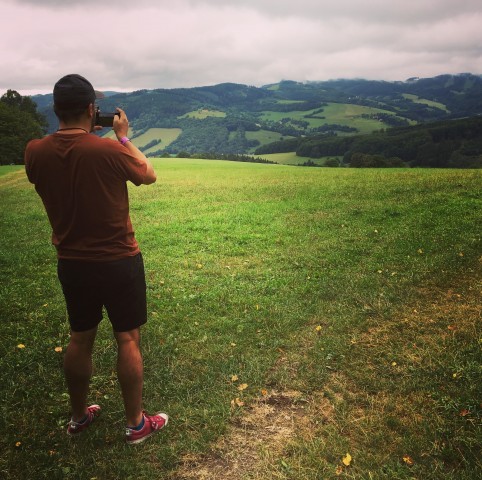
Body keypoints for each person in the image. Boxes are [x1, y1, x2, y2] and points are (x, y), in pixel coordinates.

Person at [24, 74, 168, 445]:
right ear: (92, 109)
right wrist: (122, 137)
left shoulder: (34, 152)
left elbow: (59, 165)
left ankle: (78, 417)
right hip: (119, 259)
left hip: (72, 262)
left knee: (80, 337)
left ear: (56, 108)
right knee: (128, 338)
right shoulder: (108, 150)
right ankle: (135, 425)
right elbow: (149, 175)